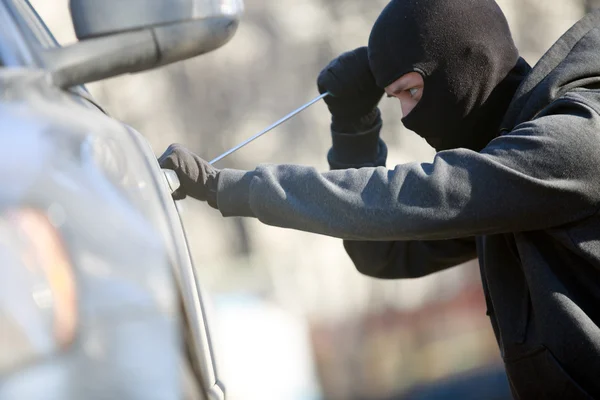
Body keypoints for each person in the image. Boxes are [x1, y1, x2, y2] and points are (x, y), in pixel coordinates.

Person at [159, 0, 600, 398]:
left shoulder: (573, 141)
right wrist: (354, 128)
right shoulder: (506, 179)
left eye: (411, 91)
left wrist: (229, 188)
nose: (407, 118)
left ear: (465, 64)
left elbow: (422, 194)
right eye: (395, 100)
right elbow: (384, 255)